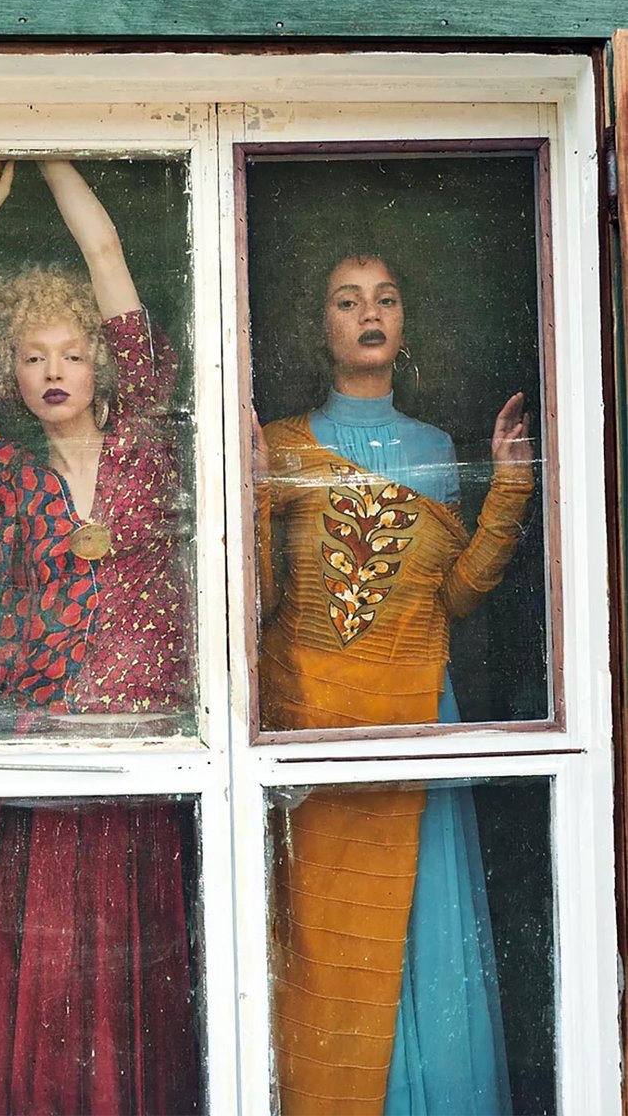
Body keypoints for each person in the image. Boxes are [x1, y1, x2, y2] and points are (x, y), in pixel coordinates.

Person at [0, 158, 199, 1114]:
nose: (54, 371)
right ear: (12, 375)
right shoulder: (7, 474)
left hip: (155, 758)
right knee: (55, 990)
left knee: (138, 982)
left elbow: (107, 250)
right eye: (32, 357)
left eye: (71, 352)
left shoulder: (149, 431)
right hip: (53, 761)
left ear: (105, 362)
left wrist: (55, 144)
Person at [255, 254, 533, 1115]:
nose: (369, 314)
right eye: (347, 301)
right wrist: (252, 489)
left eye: (386, 299)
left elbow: (453, 598)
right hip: (317, 733)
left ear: (403, 324)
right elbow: (259, 600)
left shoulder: (437, 450)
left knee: (421, 929)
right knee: (329, 955)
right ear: (320, 327)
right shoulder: (285, 442)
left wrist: (511, 487)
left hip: (417, 721)